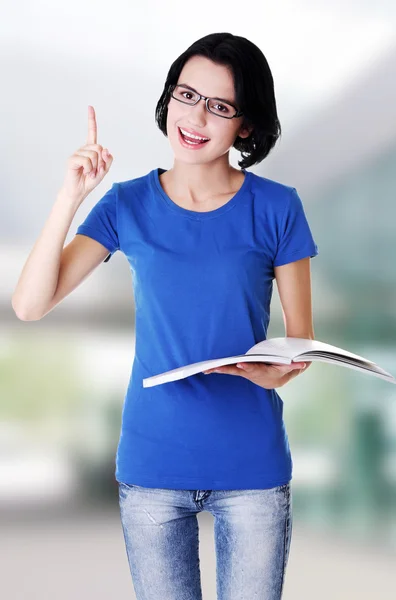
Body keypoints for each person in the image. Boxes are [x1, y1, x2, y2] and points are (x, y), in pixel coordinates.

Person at [12, 32, 318, 600]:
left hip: (251, 468)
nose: (196, 117)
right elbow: (30, 305)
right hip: (152, 466)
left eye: (220, 106)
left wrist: (280, 370)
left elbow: (301, 341)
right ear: (169, 98)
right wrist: (70, 195)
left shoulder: (278, 207)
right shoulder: (126, 204)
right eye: (186, 95)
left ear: (245, 125)